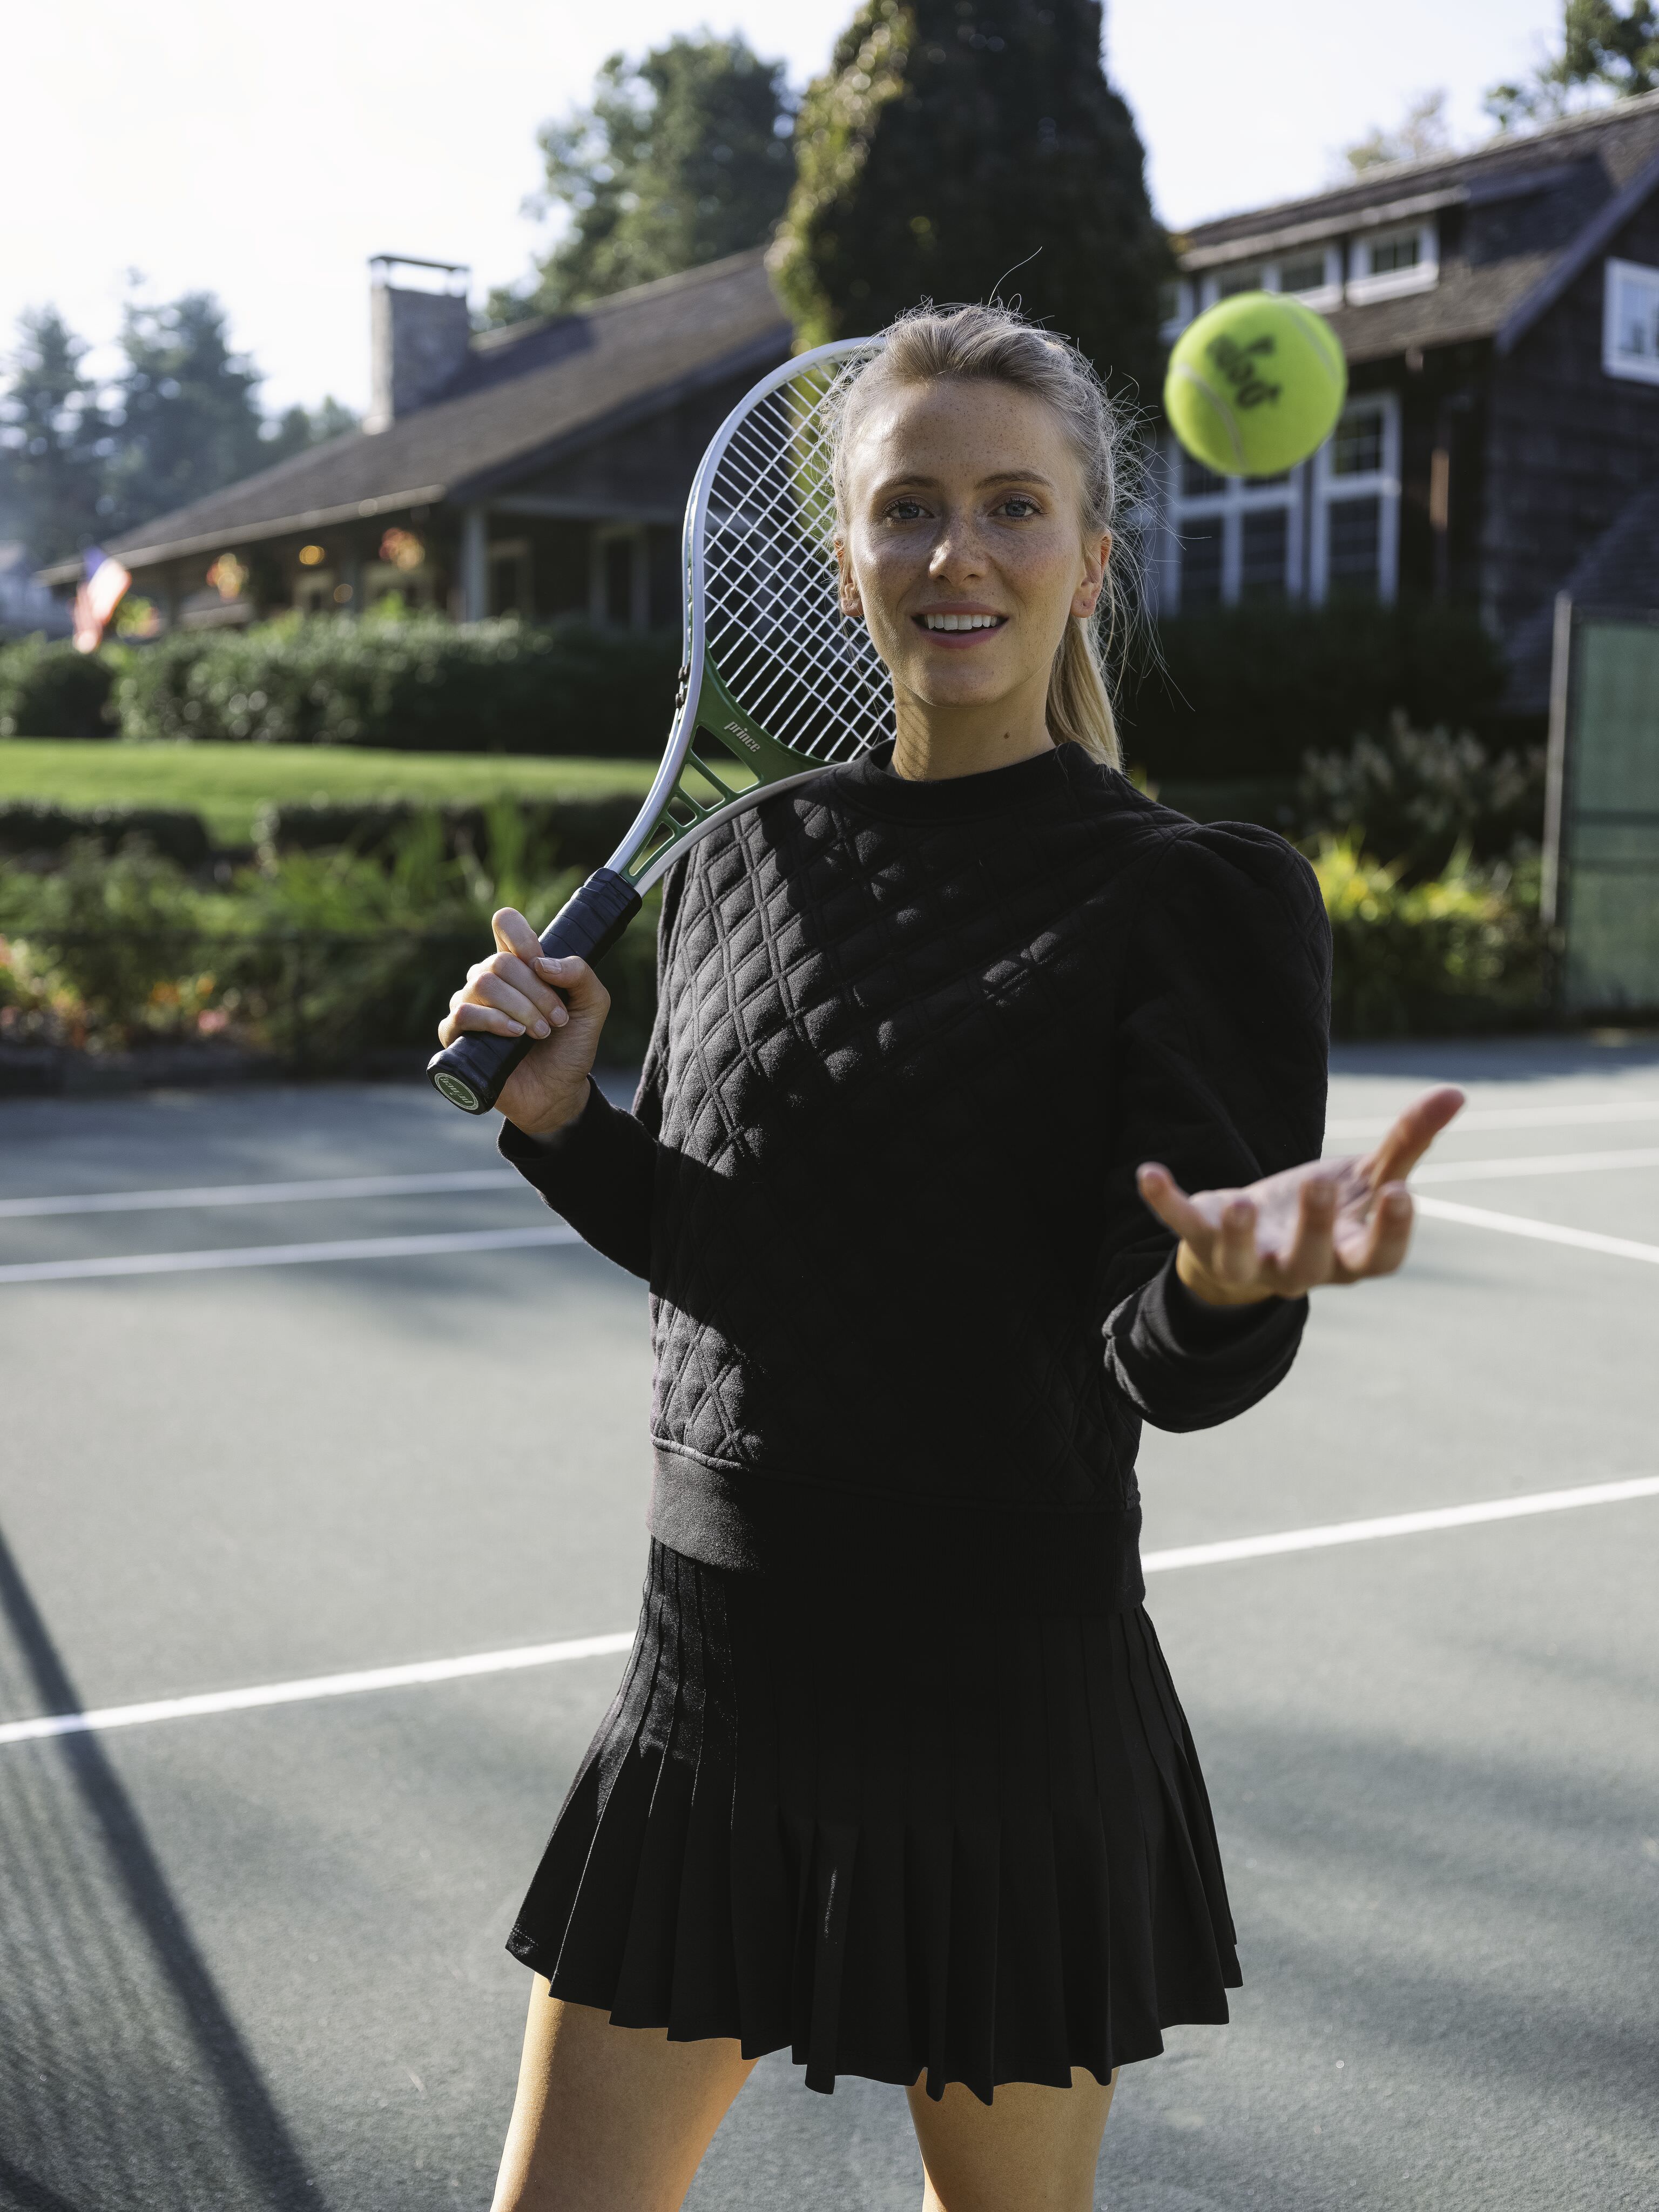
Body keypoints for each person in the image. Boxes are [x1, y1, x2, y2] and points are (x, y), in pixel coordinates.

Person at [438, 304, 1463, 2212]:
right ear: (848, 563)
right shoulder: (737, 866)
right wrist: (571, 1125)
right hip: (715, 1681)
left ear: (1091, 560)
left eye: (1011, 506)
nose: (956, 554)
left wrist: (1223, 1289)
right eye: (907, 508)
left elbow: (1153, 1352)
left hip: (1008, 1711)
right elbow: (734, 1261)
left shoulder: (1193, 896)